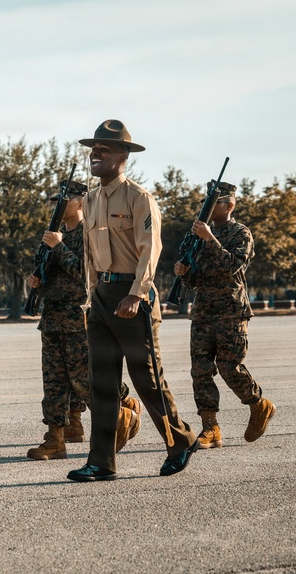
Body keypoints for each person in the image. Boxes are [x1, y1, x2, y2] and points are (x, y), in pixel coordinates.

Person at [68, 120, 198, 482]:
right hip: (102, 298)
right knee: (102, 384)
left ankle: (181, 440)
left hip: (131, 297)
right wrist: (91, 295)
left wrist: (136, 294)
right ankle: (101, 463)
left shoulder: (139, 198)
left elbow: (149, 250)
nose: (95, 154)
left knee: (147, 380)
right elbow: (89, 255)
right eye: (93, 149)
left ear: (122, 157)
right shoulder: (90, 200)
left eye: (104, 149)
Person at [25, 180, 141, 461]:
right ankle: (55, 439)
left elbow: (88, 273)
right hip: (52, 318)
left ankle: (122, 411)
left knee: (83, 380)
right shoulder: (54, 236)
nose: (57, 205)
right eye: (55, 201)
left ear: (80, 201)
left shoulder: (91, 235)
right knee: (54, 382)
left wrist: (60, 247)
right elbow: (49, 272)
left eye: (64, 199)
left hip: (81, 318)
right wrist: (36, 281)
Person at [174, 182, 275, 447]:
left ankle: (259, 404)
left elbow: (232, 265)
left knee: (229, 367)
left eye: (213, 203)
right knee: (201, 371)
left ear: (229, 205)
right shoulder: (198, 235)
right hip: (203, 311)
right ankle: (210, 428)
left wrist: (210, 238)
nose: (205, 207)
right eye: (204, 203)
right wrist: (185, 273)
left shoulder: (241, 233)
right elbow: (195, 279)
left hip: (231, 311)